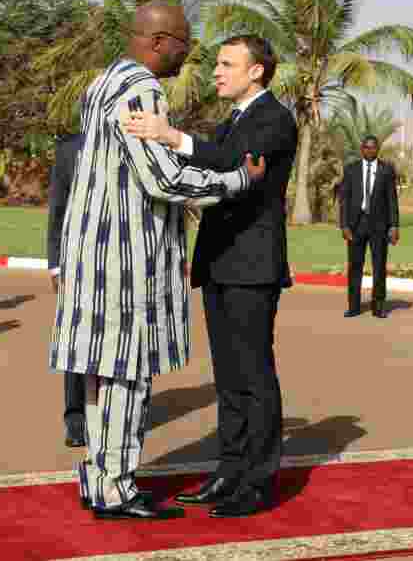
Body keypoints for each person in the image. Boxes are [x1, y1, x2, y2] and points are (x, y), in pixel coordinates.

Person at [50, 2, 266, 521]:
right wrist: (236, 182)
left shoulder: (100, 84)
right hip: (127, 257)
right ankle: (118, 490)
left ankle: (98, 479)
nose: (188, 54)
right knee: (128, 373)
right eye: (184, 43)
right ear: (158, 41)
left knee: (100, 373)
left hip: (91, 250)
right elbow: (163, 180)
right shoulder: (142, 91)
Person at [122, 34, 298, 517]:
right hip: (220, 261)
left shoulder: (274, 119)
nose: (216, 72)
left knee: (254, 375)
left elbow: (235, 166)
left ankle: (259, 483)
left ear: (256, 71)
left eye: (226, 64)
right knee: (227, 378)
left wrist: (171, 136)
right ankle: (230, 470)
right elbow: (202, 170)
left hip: (252, 264)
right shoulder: (231, 120)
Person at [46, 130, 87, 448]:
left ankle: (119, 416)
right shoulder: (69, 150)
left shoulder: (137, 140)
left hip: (122, 267)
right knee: (75, 346)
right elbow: (57, 210)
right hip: (76, 265)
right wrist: (56, 264)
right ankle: (76, 420)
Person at [338, 135, 400, 318]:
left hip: (379, 226)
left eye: (373, 147)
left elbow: (392, 200)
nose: (370, 150)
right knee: (354, 267)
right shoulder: (351, 169)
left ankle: (378, 306)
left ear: (378, 149)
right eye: (366, 147)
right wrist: (344, 225)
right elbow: (344, 200)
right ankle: (354, 306)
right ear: (361, 149)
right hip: (356, 226)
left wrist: (394, 225)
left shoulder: (386, 170)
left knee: (379, 267)